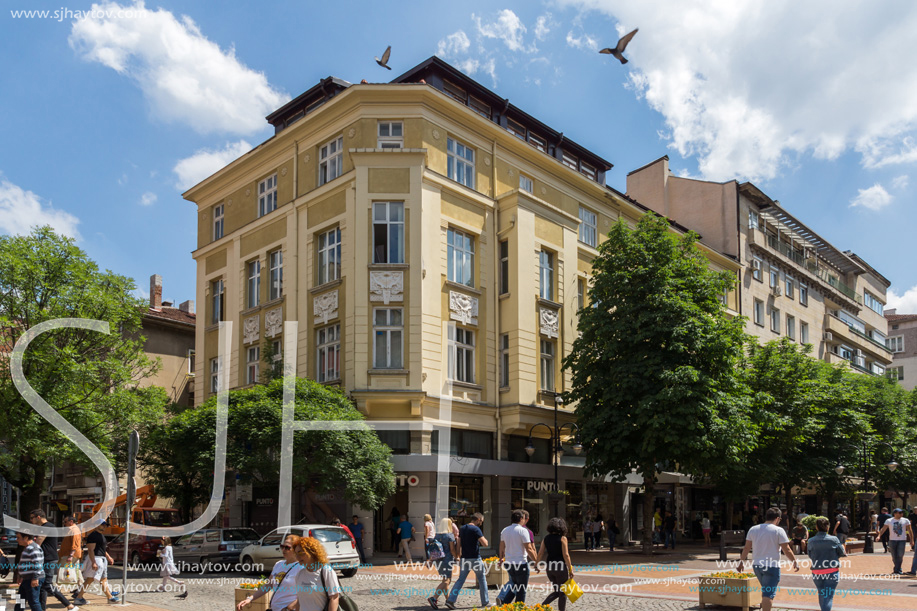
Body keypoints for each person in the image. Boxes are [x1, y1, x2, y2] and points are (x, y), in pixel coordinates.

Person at [738, 507, 800, 611]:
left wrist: (741, 562)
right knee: (768, 594)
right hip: (772, 566)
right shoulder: (778, 530)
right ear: (777, 518)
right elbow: (787, 549)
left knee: (765, 590)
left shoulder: (753, 529)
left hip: (757, 565)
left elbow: (747, 547)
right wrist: (794, 562)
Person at [29, 508, 80, 611]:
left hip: (48, 559)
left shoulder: (46, 527)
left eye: (32, 518)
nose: (31, 520)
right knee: (43, 585)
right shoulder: (48, 526)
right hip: (47, 558)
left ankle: (69, 605)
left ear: (38, 517)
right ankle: (42, 609)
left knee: (47, 585)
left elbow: (38, 543)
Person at [236, 533, 302, 611]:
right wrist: (250, 598)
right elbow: (268, 585)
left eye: (287, 547)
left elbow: (305, 595)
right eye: (282, 546)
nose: (283, 549)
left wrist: (289, 608)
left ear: (296, 550)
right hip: (275, 608)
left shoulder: (301, 567)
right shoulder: (279, 564)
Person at [444, 512, 489, 610]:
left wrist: (458, 556)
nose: (481, 523)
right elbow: (485, 544)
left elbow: (458, 543)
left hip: (464, 559)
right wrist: (486, 540)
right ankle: (485, 602)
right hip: (475, 558)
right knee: (482, 580)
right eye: (481, 521)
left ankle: (450, 600)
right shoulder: (476, 529)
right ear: (478, 520)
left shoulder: (462, 528)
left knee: (460, 580)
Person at [496, 509, 538, 605]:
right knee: (521, 589)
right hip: (521, 563)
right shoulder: (523, 531)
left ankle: (505, 604)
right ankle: (518, 607)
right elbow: (529, 549)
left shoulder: (504, 530)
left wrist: (501, 558)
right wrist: (537, 561)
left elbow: (501, 547)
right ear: (521, 518)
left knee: (515, 585)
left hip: (509, 563)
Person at [292, 536, 343, 611]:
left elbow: (334, 598)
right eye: (296, 554)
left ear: (312, 552)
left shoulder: (326, 571)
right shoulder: (300, 574)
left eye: (300, 553)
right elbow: (299, 601)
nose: (297, 557)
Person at [807, 517, 847, 611]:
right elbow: (842, 552)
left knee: (821, 593)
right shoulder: (834, 540)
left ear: (816, 527)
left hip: (816, 571)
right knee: (828, 596)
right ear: (828, 527)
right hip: (831, 571)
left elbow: (810, 555)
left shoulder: (811, 540)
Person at [73, 521, 117, 606]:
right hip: (96, 559)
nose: (104, 527)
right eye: (102, 525)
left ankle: (110, 597)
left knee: (102, 579)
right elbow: (90, 550)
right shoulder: (93, 535)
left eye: (105, 525)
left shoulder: (101, 536)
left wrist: (108, 557)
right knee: (90, 579)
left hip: (101, 560)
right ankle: (79, 597)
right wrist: (93, 562)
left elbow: (102, 549)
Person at [537, 517, 574, 611]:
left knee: (557, 591)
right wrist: (570, 569)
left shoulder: (546, 538)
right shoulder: (562, 538)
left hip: (549, 567)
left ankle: (541, 606)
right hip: (560, 567)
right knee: (562, 593)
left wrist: (536, 564)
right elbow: (566, 555)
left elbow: (541, 553)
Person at [427, 518, 457, 609]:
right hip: (447, 560)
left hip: (438, 560)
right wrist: (457, 557)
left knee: (445, 580)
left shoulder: (437, 535)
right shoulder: (449, 536)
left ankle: (448, 601)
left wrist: (430, 560)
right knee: (447, 580)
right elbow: (452, 550)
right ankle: (434, 598)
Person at [876, 508, 913, 575]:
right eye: (900, 512)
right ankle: (898, 569)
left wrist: (911, 540)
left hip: (902, 540)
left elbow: (910, 531)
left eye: (902, 512)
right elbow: (883, 529)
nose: (901, 514)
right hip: (892, 540)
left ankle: (897, 570)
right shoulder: (889, 520)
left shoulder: (906, 520)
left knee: (900, 555)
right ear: (895, 513)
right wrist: (879, 536)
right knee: (894, 556)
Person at [17, 531, 45, 611]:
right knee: (20, 600)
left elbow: (37, 564)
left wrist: (35, 578)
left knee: (33, 602)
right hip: (27, 579)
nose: (17, 540)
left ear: (26, 538)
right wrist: (20, 575)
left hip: (32, 579)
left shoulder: (33, 548)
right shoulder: (28, 548)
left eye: (18, 537)